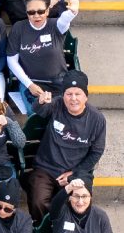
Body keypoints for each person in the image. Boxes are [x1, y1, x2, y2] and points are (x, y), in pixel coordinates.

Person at [27, 70, 107, 222]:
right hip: (46, 168)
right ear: (63, 95)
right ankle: (45, 229)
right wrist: (41, 101)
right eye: (69, 94)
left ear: (86, 96)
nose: (73, 99)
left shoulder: (97, 119)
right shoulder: (57, 105)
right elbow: (38, 109)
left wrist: (74, 174)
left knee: (79, 204)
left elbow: (97, 152)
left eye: (78, 94)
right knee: (38, 201)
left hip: (75, 172)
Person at [7, 0, 80, 115]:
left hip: (58, 82)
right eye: (31, 12)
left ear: (47, 11)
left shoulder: (55, 26)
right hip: (32, 83)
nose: (36, 15)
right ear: (26, 12)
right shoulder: (18, 28)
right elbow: (11, 60)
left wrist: (72, 11)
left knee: (66, 112)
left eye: (41, 11)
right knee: (36, 113)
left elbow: (64, 20)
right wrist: (29, 84)